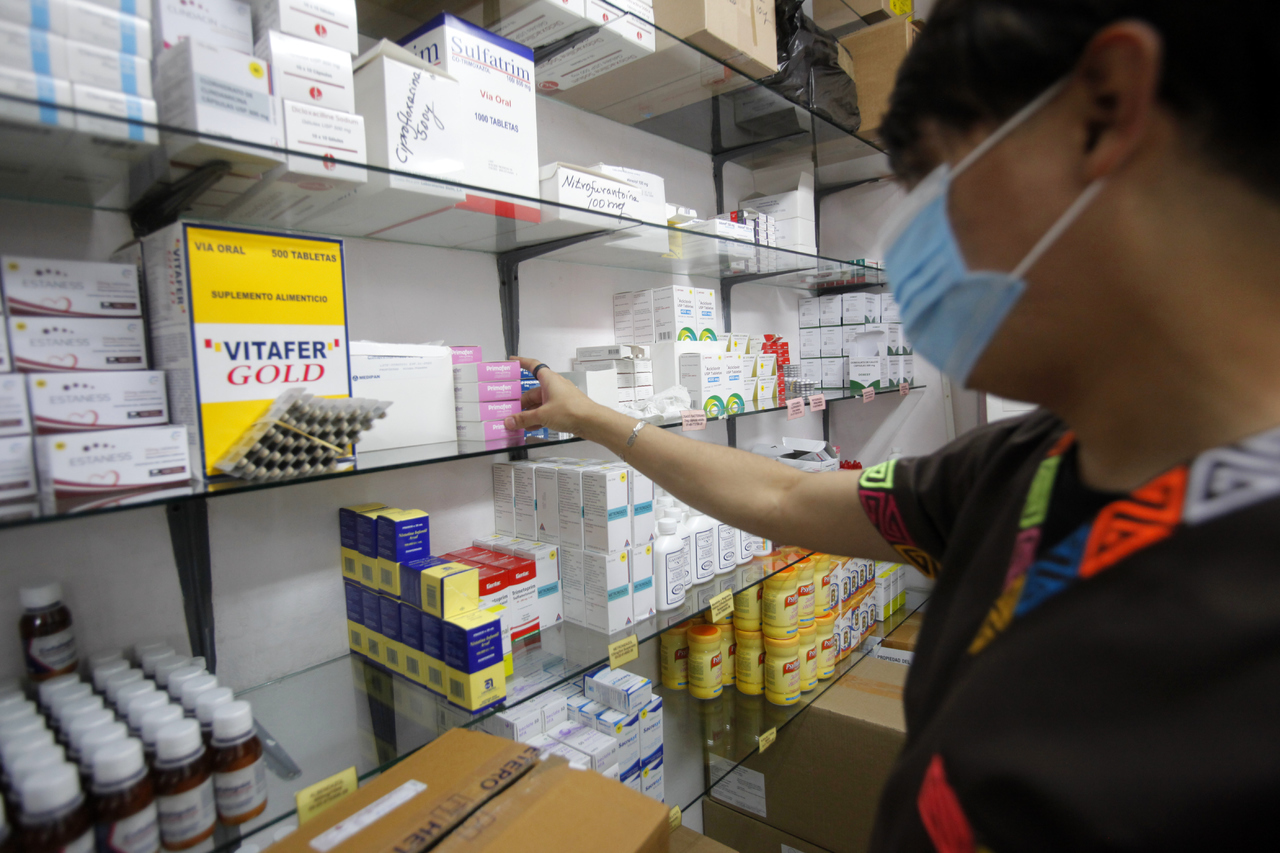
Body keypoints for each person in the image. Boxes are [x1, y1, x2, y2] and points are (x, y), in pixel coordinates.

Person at [506, 0, 1280, 848]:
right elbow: (785, 498)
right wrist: (591, 415)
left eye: (942, 183)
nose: (916, 248)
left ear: (1104, 112)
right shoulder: (1023, 464)